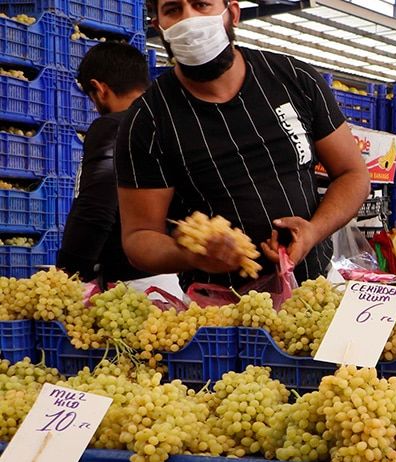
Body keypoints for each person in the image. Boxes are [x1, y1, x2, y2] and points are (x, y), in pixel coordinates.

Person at [116, 0, 369, 291]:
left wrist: (313, 231)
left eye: (201, 4)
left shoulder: (295, 79)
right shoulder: (147, 120)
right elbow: (139, 236)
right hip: (218, 313)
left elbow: (353, 174)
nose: (189, 20)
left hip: (314, 290)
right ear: (158, 26)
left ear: (232, 13)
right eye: (173, 9)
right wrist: (190, 255)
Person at [57, 43, 150, 284]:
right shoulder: (165, 125)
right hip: (168, 278)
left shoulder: (113, 126)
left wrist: (68, 274)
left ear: (99, 89)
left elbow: (96, 207)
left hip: (127, 284)